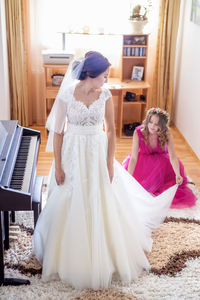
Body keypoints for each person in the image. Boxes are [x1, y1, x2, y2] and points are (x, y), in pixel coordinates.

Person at [33, 52, 178, 290]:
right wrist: (58, 165)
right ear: (90, 74)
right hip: (72, 153)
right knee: (71, 197)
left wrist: (110, 163)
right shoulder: (67, 95)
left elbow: (111, 131)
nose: (106, 79)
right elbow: (57, 132)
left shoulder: (106, 95)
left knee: (101, 198)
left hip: (97, 152)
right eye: (104, 75)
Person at [122, 107, 197, 209]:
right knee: (137, 187)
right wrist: (129, 176)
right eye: (151, 122)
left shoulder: (166, 133)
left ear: (162, 126)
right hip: (143, 163)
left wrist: (177, 173)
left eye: (157, 124)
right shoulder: (138, 132)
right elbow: (134, 158)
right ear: (147, 121)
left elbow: (173, 156)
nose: (152, 126)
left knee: (170, 183)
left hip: (162, 163)